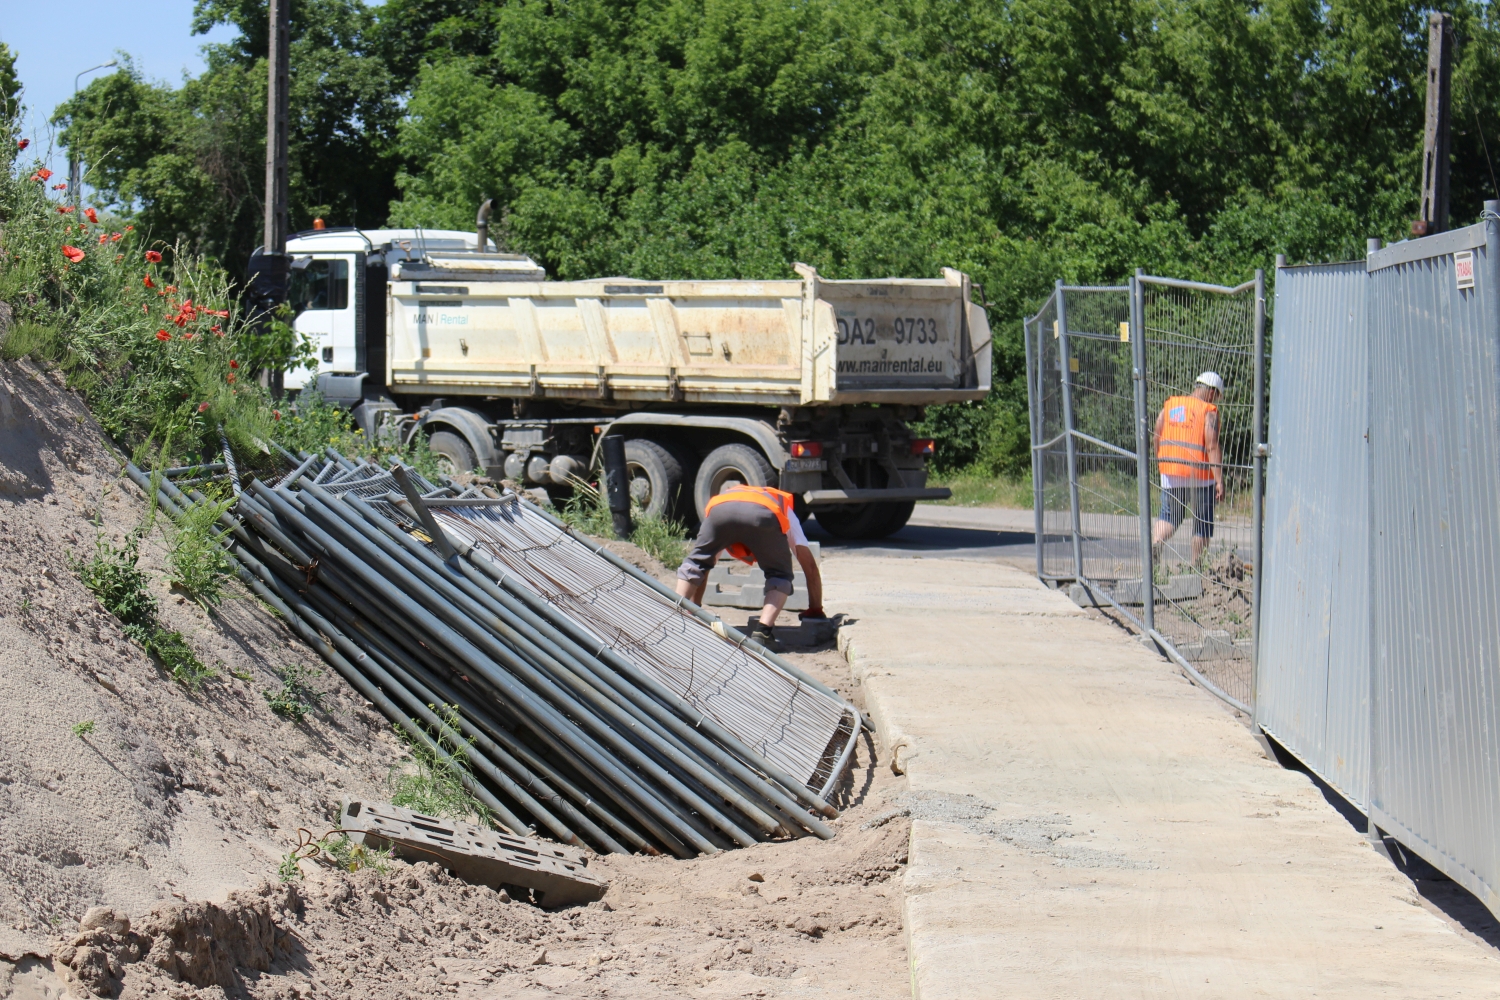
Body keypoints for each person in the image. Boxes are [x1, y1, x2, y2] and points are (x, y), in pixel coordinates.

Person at [674, 484, 825, 652]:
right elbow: (809, 566)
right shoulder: (782, 505)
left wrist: (695, 608)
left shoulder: (731, 494)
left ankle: (675, 614)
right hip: (763, 515)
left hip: (719, 510)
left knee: (697, 563)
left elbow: (704, 567)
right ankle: (763, 633)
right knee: (779, 574)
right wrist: (815, 610)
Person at [1152, 371, 1225, 562]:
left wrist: (1161, 461)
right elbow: (1212, 445)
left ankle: (1156, 542)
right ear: (1211, 392)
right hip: (1200, 476)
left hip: (1171, 471)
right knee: (1202, 522)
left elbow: (1156, 435)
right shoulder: (1208, 411)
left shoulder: (1171, 405)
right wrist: (1219, 480)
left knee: (1169, 517)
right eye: (1217, 396)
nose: (1216, 401)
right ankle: (1195, 567)